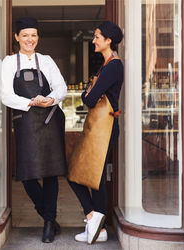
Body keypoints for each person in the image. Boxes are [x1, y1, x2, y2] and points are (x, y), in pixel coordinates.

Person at [0, 17, 67, 243]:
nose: (30, 39)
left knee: (50, 173)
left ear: (38, 38)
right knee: (27, 175)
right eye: (26, 35)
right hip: (26, 122)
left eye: (34, 35)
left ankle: (49, 222)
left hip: (49, 120)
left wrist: (49, 98)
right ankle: (46, 214)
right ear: (17, 37)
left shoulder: (46, 60)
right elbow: (6, 95)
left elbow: (61, 87)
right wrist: (30, 102)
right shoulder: (9, 63)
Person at [68, 21, 124, 244]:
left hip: (105, 130)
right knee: (85, 176)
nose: (94, 40)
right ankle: (95, 223)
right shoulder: (108, 65)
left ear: (108, 40)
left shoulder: (112, 67)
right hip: (101, 129)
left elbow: (89, 99)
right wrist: (89, 92)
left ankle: (97, 228)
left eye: (98, 36)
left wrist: (88, 92)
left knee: (90, 178)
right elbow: (90, 96)